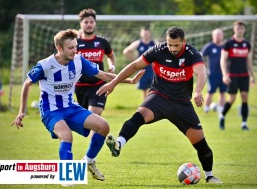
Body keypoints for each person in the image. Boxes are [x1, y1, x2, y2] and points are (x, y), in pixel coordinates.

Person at [11, 29, 144, 184]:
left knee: (103, 126)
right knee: (66, 135)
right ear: (59, 48)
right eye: (71, 48)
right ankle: (66, 178)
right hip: (51, 111)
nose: (75, 50)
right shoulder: (45, 65)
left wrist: (131, 81)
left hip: (71, 107)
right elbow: (27, 84)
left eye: (76, 46)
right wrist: (21, 111)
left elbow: (105, 76)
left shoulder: (79, 61)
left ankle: (88, 160)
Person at [97, 26, 223, 184]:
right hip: (158, 97)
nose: (172, 48)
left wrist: (198, 91)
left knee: (201, 144)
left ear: (184, 42)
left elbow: (201, 72)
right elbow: (135, 66)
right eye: (170, 44)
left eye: (176, 45)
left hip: (181, 104)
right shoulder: (158, 50)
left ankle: (210, 176)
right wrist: (113, 83)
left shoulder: (192, 53)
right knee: (138, 117)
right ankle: (119, 144)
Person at [75, 8, 116, 118]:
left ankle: (99, 132)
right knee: (86, 122)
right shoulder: (75, 43)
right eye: (86, 22)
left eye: (91, 22)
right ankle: (98, 133)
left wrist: (112, 66)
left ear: (95, 23)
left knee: (93, 116)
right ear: (81, 24)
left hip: (98, 85)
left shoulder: (102, 42)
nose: (89, 25)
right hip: (80, 86)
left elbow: (110, 55)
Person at [219, 21, 255, 130]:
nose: (240, 30)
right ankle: (222, 115)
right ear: (234, 29)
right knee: (232, 99)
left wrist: (252, 75)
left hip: (244, 75)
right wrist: (225, 75)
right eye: (238, 28)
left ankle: (244, 123)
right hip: (232, 75)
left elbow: (249, 61)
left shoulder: (247, 44)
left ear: (244, 30)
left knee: (245, 97)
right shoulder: (228, 43)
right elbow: (223, 60)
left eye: (242, 28)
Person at [123, 26, 156, 100]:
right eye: (144, 33)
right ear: (141, 34)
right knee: (144, 89)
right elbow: (126, 51)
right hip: (143, 68)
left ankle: (153, 104)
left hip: (153, 69)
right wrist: (136, 61)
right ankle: (145, 104)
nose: (145, 35)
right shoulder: (138, 43)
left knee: (154, 88)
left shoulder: (154, 43)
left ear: (150, 34)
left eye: (147, 33)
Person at [201, 29, 227, 114]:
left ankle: (220, 109)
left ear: (222, 36)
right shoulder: (209, 46)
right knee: (210, 91)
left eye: (219, 34)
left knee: (223, 92)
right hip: (213, 74)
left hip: (224, 74)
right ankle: (206, 108)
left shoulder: (225, 47)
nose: (218, 36)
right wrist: (205, 68)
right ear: (213, 36)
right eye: (216, 35)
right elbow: (201, 56)